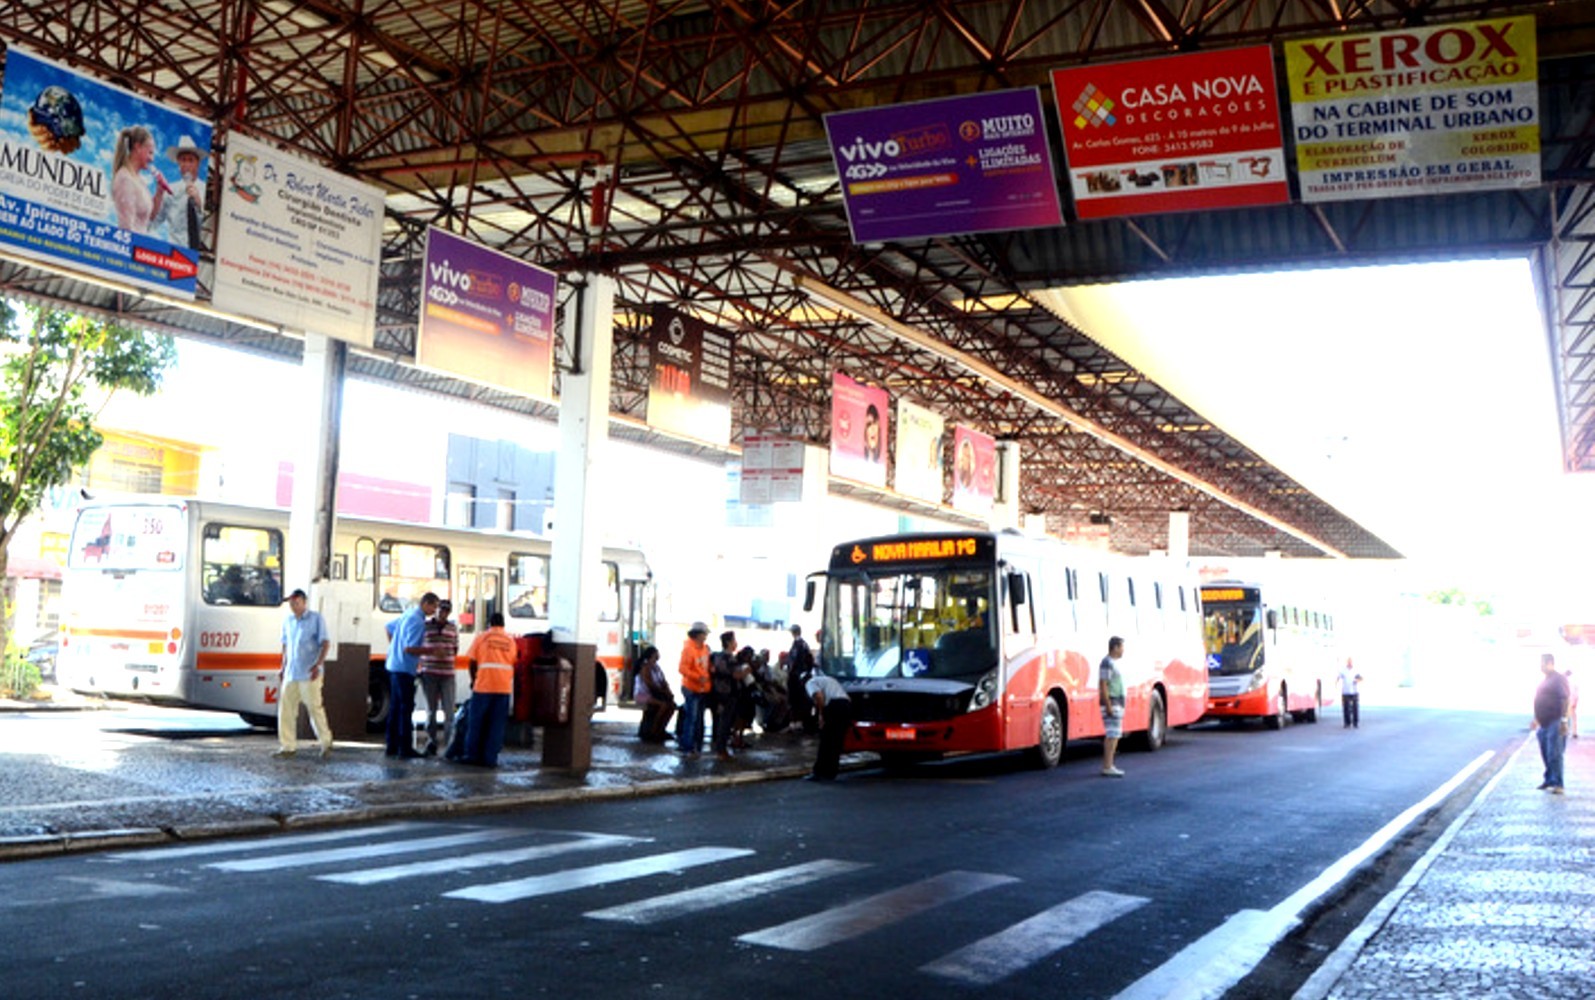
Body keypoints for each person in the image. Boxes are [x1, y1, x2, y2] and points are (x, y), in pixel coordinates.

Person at [275, 588, 334, 759]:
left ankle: (326, 742)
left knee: (315, 709)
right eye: (291, 603)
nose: (293, 606)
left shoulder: (316, 619)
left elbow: (325, 643)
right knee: (286, 710)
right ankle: (287, 746)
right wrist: (282, 666)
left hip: (309, 672)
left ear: (304, 602)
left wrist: (318, 664)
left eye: (296, 602)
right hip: (291, 672)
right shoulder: (288, 621)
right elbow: (286, 646)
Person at [384, 591, 438, 758]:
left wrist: (394, 649)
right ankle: (405, 748)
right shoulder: (418, 621)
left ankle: (391, 746)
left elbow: (389, 627)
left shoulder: (408, 613)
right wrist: (432, 651)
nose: (434, 611)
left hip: (393, 665)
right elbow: (410, 648)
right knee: (406, 708)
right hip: (405, 669)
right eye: (434, 607)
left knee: (394, 708)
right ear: (426, 604)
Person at [459, 612, 517, 767]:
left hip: (483, 686)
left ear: (490, 624)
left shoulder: (482, 638)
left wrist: (473, 680)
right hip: (503, 688)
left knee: (476, 722)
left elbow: (472, 662)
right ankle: (490, 759)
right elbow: (513, 662)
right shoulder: (510, 641)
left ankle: (472, 756)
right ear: (503, 625)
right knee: (496, 725)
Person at [417, 599, 459, 756]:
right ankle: (431, 743)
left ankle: (449, 746)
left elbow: (455, 649)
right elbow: (419, 645)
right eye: (441, 610)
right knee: (431, 711)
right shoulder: (426, 626)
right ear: (437, 610)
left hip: (448, 674)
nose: (443, 613)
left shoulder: (452, 628)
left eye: (447, 611)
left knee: (449, 712)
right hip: (430, 673)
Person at [112, 125, 169, 233]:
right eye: (150, 153)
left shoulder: (138, 179)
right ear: (137, 147)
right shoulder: (125, 180)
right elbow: (126, 229)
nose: (152, 159)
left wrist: (160, 191)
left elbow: (149, 217)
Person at [153, 135, 207, 249]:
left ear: (198, 163)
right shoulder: (170, 191)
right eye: (183, 160)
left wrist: (198, 201)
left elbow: (210, 224)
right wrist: (158, 196)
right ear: (178, 163)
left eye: (191, 160)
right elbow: (154, 221)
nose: (187, 165)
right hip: (174, 251)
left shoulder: (204, 189)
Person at [1532, 653, 1571, 794]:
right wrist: (1536, 719)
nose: (1541, 667)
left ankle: (1558, 783)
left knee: (1555, 753)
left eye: (1543, 664)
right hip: (1544, 723)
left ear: (1550, 663)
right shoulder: (1545, 680)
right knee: (1546, 752)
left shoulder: (1558, 679)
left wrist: (1564, 721)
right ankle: (1549, 779)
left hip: (1556, 720)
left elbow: (1566, 699)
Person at [804, 671, 853, 781]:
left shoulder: (810, 683)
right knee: (836, 742)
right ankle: (831, 772)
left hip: (834, 706)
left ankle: (819, 772)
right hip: (845, 705)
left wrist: (821, 715)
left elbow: (819, 696)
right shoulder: (828, 679)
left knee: (826, 740)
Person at [676, 622, 711, 754]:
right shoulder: (688, 649)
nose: (706, 636)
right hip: (691, 688)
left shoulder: (705, 649)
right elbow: (682, 668)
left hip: (703, 688)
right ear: (697, 634)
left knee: (698, 718)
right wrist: (697, 677)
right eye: (704, 634)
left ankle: (696, 743)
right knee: (692, 718)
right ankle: (687, 745)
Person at [633, 645, 676, 744]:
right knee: (663, 706)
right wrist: (662, 692)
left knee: (672, 706)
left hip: (655, 693)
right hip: (642, 694)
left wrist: (668, 692)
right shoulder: (645, 668)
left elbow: (663, 682)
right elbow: (649, 684)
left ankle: (662, 728)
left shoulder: (657, 668)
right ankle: (654, 730)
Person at [708, 630, 739, 760]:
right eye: (734, 640)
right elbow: (735, 674)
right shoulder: (727, 658)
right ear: (728, 643)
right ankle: (721, 750)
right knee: (725, 723)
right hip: (726, 693)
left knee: (720, 722)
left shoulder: (716, 656)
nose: (736, 643)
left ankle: (720, 747)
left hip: (718, 692)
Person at [1099, 636, 1126, 778]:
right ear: (1115, 647)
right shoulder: (1107, 663)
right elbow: (1103, 684)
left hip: (1117, 703)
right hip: (1112, 702)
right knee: (1112, 735)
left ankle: (1110, 764)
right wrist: (1108, 704)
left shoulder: (1113, 663)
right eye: (1121, 647)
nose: (1123, 650)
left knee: (1115, 734)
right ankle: (1108, 766)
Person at [786, 624, 818, 734]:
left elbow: (794, 662)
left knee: (795, 700)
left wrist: (791, 672)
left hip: (796, 677)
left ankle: (795, 723)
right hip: (802, 676)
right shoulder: (804, 645)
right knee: (800, 701)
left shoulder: (797, 645)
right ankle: (798, 723)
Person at [1338, 658, 1362, 729]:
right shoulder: (1343, 670)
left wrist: (1357, 680)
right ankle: (1347, 723)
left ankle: (1355, 722)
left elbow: (1361, 678)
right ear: (1347, 663)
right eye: (1348, 662)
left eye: (1351, 662)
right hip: (1345, 691)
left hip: (1354, 691)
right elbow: (1338, 677)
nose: (1349, 663)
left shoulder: (1356, 670)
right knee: (1346, 708)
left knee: (1355, 708)